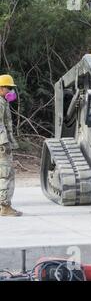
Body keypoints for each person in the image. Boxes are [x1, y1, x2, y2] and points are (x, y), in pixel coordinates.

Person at [0, 74, 22, 217]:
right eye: (8, 88)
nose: (10, 91)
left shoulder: (3, 102)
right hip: (2, 145)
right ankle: (5, 207)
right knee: (6, 174)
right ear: (1, 88)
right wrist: (4, 142)